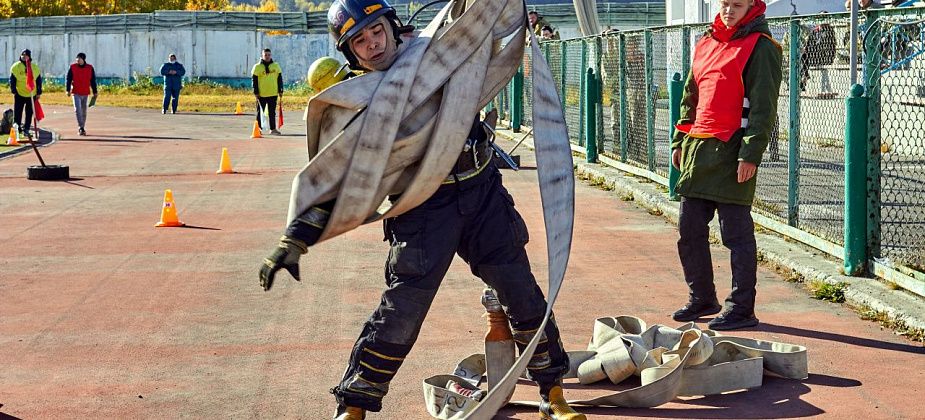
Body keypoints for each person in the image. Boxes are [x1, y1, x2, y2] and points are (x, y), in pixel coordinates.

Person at [259, 1, 582, 419]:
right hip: (423, 209)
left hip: (482, 194)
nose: (372, 44)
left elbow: (481, 17)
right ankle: (353, 407)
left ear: (392, 26)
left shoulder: (441, 52)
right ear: (350, 53)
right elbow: (338, 176)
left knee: (521, 294)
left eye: (376, 31)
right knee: (401, 310)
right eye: (359, 40)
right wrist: (295, 239)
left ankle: (552, 393)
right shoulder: (362, 106)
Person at [669, 0, 783, 331]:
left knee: (736, 235)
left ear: (752, 6)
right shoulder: (705, 43)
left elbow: (764, 108)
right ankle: (702, 296)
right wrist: (679, 141)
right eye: (724, 3)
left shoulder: (762, 47)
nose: (728, 10)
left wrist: (751, 154)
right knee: (689, 230)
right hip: (698, 150)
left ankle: (741, 307)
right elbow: (690, 97)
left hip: (733, 151)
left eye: (736, 4)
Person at [9, 49, 42, 137]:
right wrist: (13, 90)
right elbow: (12, 79)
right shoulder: (16, 66)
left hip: (31, 93)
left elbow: (38, 80)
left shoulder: (34, 67)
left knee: (29, 112)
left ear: (29, 56)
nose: (24, 56)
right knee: (18, 111)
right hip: (19, 93)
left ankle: (27, 128)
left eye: (26, 55)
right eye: (22, 55)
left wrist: (39, 91)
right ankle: (17, 127)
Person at [251, 48, 283, 135]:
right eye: (265, 55)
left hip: (273, 93)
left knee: (272, 112)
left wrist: (280, 90)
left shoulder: (276, 66)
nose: (267, 56)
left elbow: (279, 78)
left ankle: (273, 129)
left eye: (269, 55)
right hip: (261, 94)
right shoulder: (257, 67)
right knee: (260, 113)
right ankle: (259, 129)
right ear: (262, 56)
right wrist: (256, 92)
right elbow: (254, 80)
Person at [66, 52, 98, 136]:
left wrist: (95, 92)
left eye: (79, 59)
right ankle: (81, 127)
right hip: (76, 92)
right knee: (77, 110)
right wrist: (67, 90)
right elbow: (68, 79)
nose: (77, 60)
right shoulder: (72, 67)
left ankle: (82, 127)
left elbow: (92, 81)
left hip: (85, 92)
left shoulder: (89, 68)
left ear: (83, 59)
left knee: (84, 111)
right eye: (77, 58)